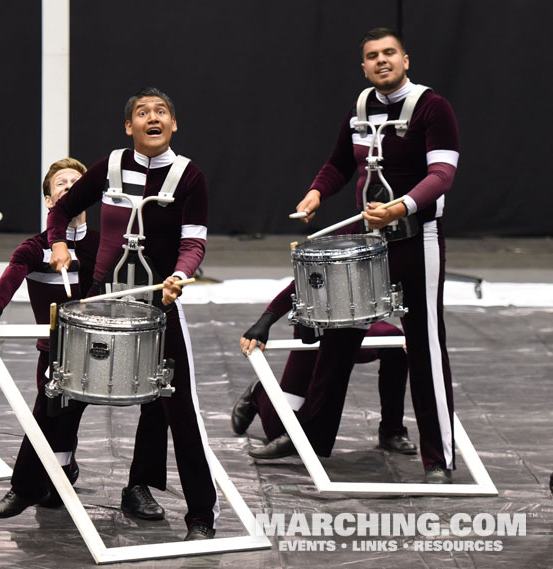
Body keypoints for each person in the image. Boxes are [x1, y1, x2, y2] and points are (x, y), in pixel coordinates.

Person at [290, 27, 459, 484]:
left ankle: (438, 459)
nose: (381, 61)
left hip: (416, 238)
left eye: (389, 53)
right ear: (363, 66)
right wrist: (315, 194)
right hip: (370, 241)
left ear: (406, 60)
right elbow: (340, 163)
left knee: (423, 345)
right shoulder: (361, 107)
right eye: (371, 56)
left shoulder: (431, 107)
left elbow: (442, 174)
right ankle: (312, 439)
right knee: (339, 334)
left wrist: (400, 207)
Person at [47, 87, 218, 541]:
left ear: (174, 124)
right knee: (65, 389)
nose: (153, 117)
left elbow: (193, 242)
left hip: (158, 303)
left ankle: (200, 515)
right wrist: (59, 242)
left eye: (161, 111)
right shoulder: (111, 166)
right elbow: (61, 210)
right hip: (103, 298)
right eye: (142, 113)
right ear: (129, 127)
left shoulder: (189, 177)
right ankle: (40, 482)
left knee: (176, 407)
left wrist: (179, 276)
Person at [0, 158, 99, 517]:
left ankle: (25, 485)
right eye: (61, 182)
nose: (70, 186)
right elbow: (12, 276)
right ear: (47, 200)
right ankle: (61, 471)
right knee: (53, 411)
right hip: (54, 354)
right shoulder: (34, 248)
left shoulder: (104, 246)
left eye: (77, 181)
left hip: (98, 353)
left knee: (60, 414)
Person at [234, 280, 416, 458]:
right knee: (279, 431)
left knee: (397, 345)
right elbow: (301, 281)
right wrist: (265, 321)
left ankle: (392, 430)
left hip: (358, 323)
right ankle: (258, 392)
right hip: (315, 331)